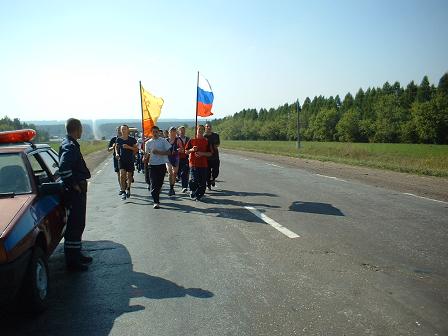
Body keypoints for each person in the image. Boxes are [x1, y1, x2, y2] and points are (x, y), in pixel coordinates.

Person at [59, 118, 92, 271]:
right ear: (77, 129)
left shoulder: (70, 144)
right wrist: (74, 185)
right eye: (81, 129)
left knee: (79, 224)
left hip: (77, 191)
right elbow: (64, 168)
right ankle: (72, 262)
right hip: (74, 193)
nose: (82, 131)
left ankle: (77, 253)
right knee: (74, 225)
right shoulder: (70, 146)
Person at [145, 125, 172, 209]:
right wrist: (145, 157)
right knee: (153, 183)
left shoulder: (163, 141)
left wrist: (159, 152)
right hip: (152, 165)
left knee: (159, 184)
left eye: (156, 132)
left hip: (161, 165)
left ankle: (157, 195)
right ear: (151, 133)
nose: (155, 133)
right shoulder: (148, 143)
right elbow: (146, 154)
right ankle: (156, 202)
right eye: (153, 132)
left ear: (158, 132)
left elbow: (169, 152)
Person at [185, 125, 212, 201]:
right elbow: (186, 151)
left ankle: (199, 194)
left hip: (203, 164)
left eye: (202, 129)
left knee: (203, 182)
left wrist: (202, 153)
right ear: (196, 130)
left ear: (204, 131)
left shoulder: (206, 141)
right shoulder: (192, 140)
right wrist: (192, 150)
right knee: (194, 180)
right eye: (199, 129)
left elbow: (210, 153)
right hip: (193, 164)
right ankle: (192, 190)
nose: (200, 130)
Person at [116, 124, 138, 200]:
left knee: (129, 176)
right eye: (122, 129)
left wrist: (129, 147)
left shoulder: (132, 139)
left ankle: (128, 188)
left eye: (125, 129)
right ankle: (123, 191)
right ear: (120, 131)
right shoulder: (119, 139)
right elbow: (117, 147)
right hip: (122, 160)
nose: (123, 130)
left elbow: (136, 149)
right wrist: (117, 153)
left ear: (128, 130)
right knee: (122, 175)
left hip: (130, 159)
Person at [204, 122, 220, 190]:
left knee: (215, 171)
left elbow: (218, 143)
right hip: (207, 157)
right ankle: (208, 184)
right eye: (207, 126)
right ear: (205, 128)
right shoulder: (203, 136)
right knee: (207, 172)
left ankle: (213, 179)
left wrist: (216, 145)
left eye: (210, 126)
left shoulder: (216, 135)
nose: (208, 127)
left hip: (215, 156)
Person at [166, 127, 180, 196]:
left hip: (176, 157)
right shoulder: (166, 140)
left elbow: (182, 148)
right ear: (169, 132)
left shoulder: (178, 140)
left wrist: (179, 149)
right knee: (170, 172)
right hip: (168, 158)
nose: (173, 133)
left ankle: (172, 186)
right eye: (171, 131)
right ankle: (171, 187)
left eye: (174, 131)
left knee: (175, 173)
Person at [108, 126, 122, 193]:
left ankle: (126, 185)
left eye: (120, 130)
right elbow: (108, 149)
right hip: (116, 158)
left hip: (125, 158)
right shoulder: (113, 139)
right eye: (118, 130)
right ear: (116, 131)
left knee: (124, 174)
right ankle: (121, 188)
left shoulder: (125, 138)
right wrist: (113, 147)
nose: (119, 131)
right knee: (119, 174)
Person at [177, 126, 190, 193]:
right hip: (177, 159)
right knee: (179, 172)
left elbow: (191, 147)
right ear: (178, 131)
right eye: (181, 130)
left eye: (183, 130)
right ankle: (178, 177)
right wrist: (177, 150)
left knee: (185, 172)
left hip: (185, 158)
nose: (182, 132)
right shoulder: (176, 139)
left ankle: (184, 187)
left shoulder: (188, 139)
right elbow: (172, 148)